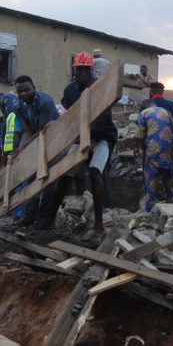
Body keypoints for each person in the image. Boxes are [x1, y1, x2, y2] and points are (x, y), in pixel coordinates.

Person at [62, 53, 119, 242]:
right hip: (81, 137)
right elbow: (69, 113)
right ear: (75, 70)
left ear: (91, 70)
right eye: (79, 70)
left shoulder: (99, 88)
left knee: (96, 172)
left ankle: (99, 225)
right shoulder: (70, 90)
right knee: (64, 172)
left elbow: (104, 120)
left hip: (102, 136)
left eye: (86, 70)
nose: (83, 73)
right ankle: (50, 218)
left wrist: (85, 132)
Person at [14, 74, 61, 228]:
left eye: (27, 90)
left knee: (49, 182)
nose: (23, 94)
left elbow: (42, 131)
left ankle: (42, 219)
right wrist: (20, 150)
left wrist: (25, 148)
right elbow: (27, 131)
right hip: (36, 141)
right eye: (20, 91)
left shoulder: (44, 102)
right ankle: (30, 216)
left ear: (33, 88)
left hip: (53, 142)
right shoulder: (18, 106)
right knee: (30, 179)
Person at [137, 99, 173, 212]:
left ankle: (149, 213)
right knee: (169, 185)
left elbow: (140, 136)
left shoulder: (143, 113)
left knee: (151, 186)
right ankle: (172, 208)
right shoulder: (166, 112)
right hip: (167, 153)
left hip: (153, 152)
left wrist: (144, 152)